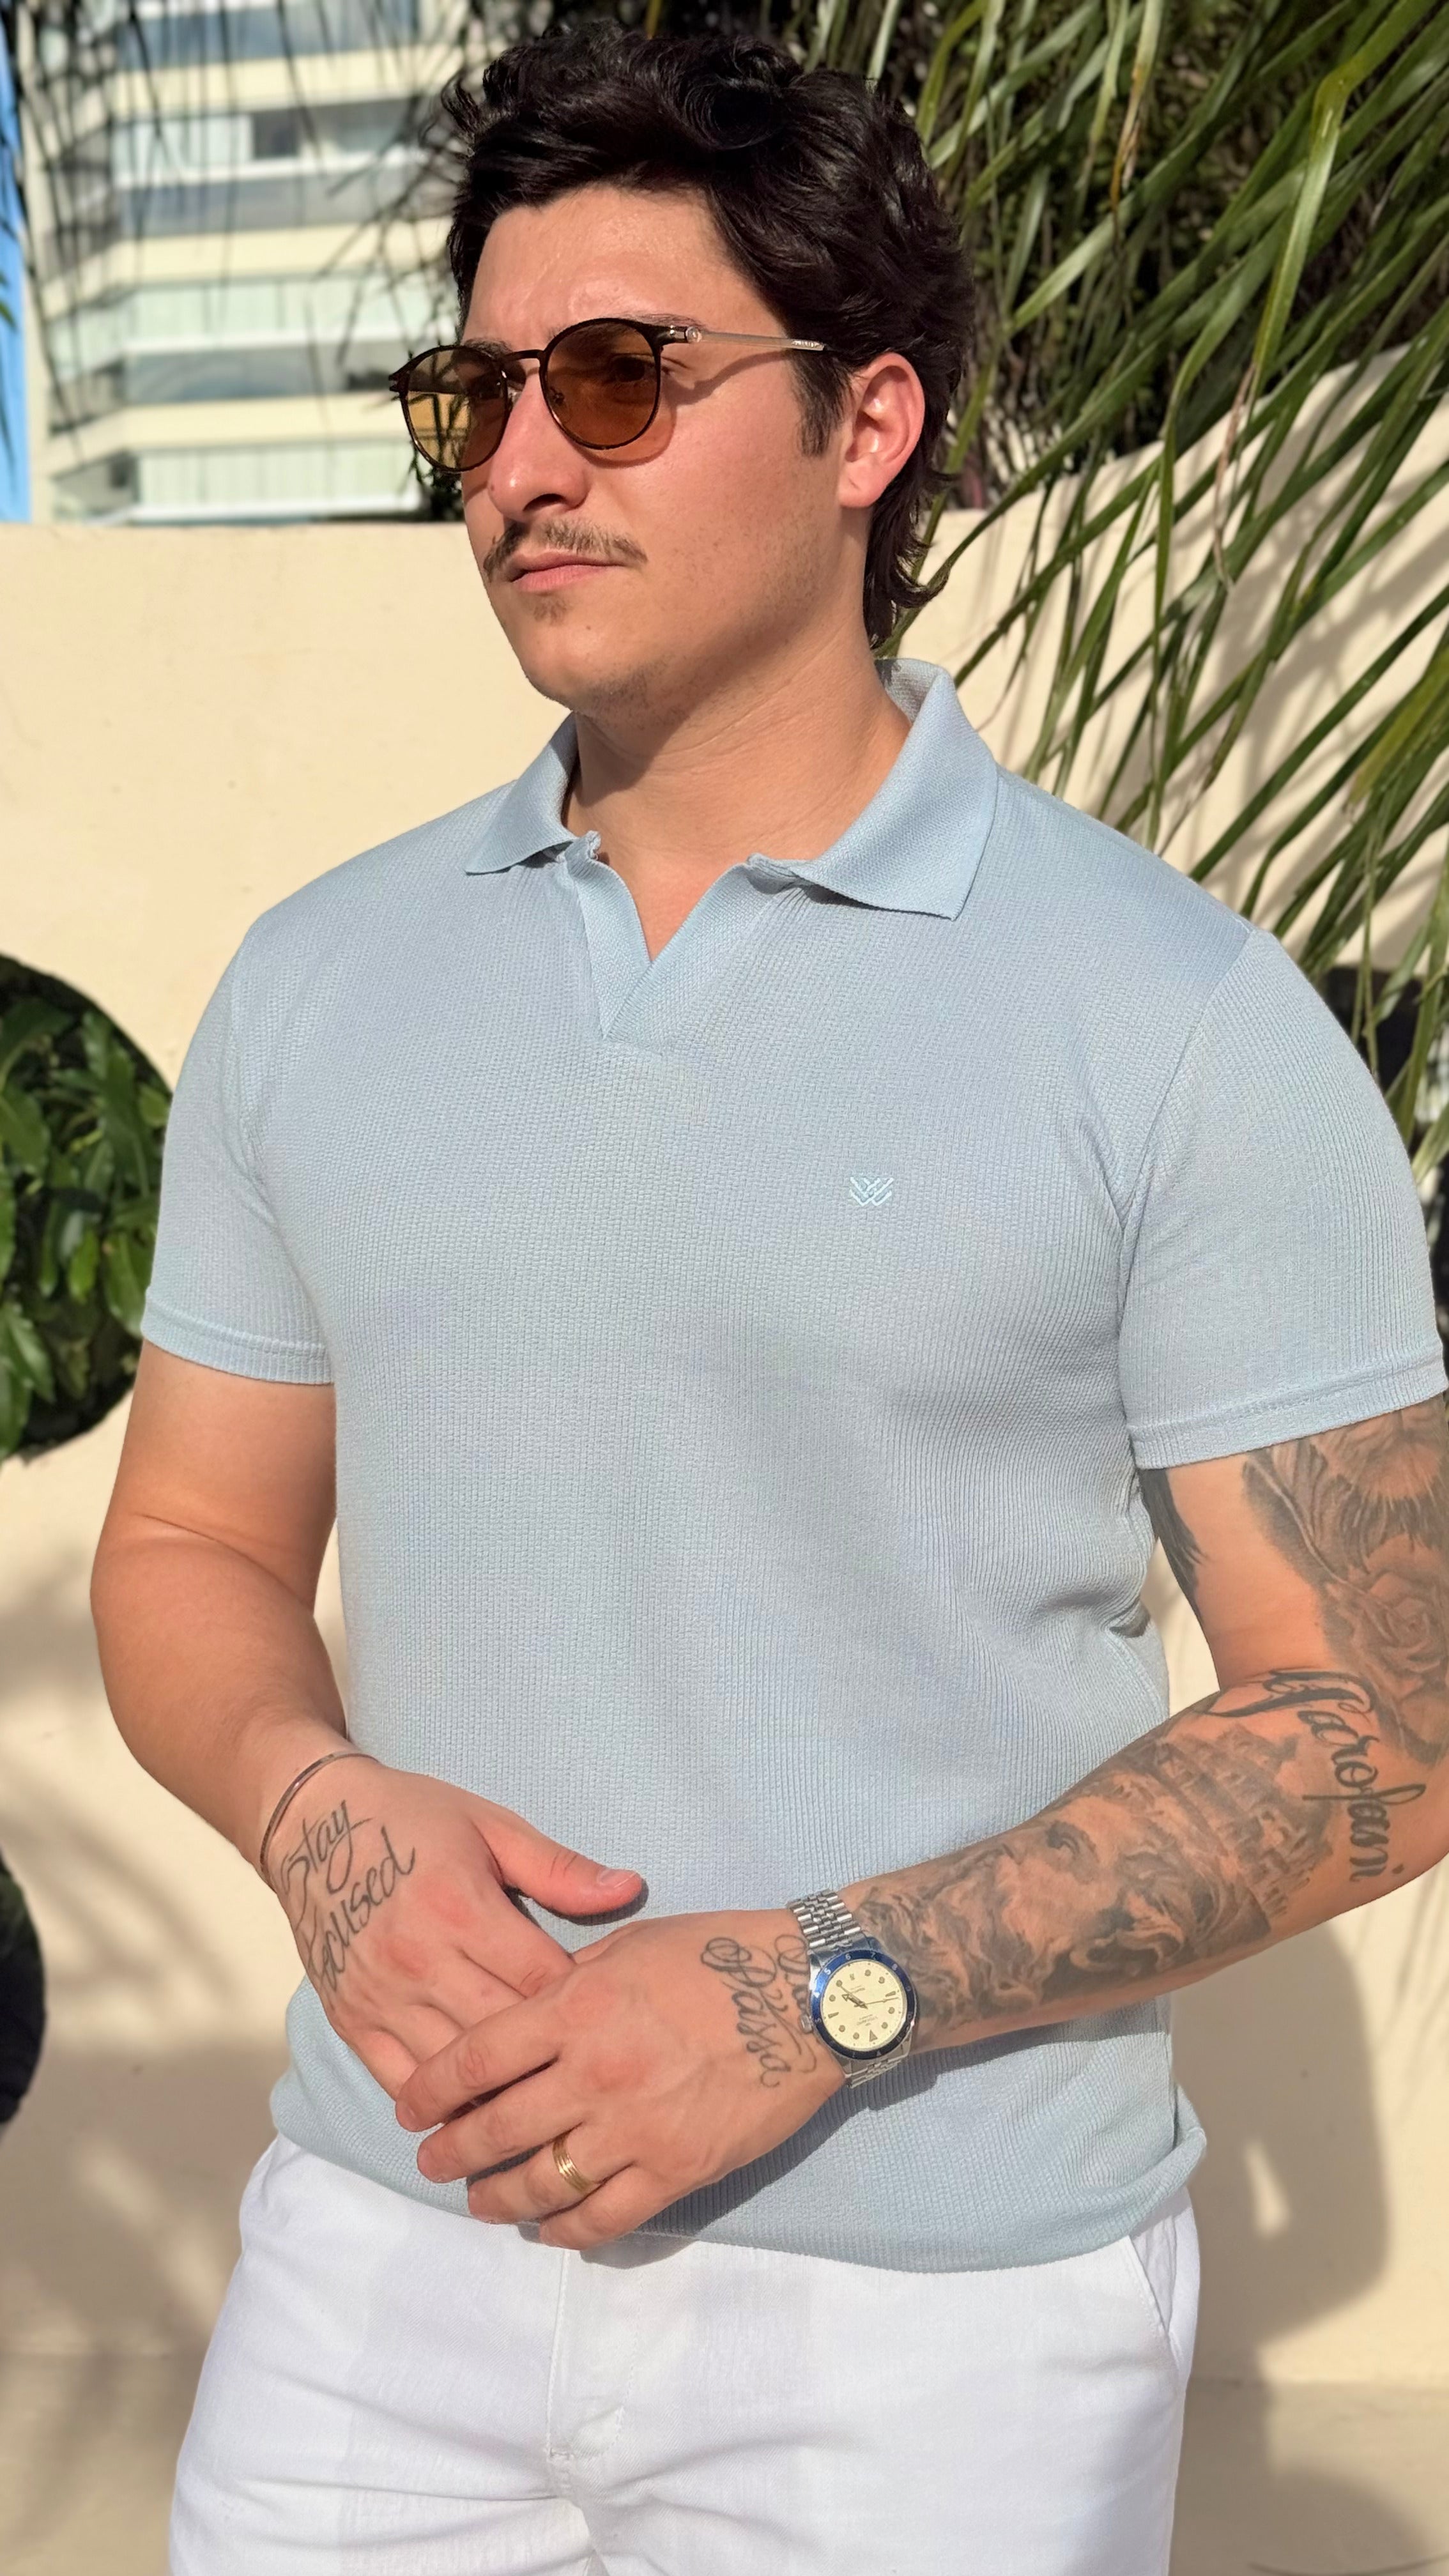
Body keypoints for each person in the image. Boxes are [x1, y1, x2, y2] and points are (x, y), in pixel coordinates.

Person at [90, 24, 1449, 2575]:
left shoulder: (1169, 1018)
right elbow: (187, 1548)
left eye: (619, 375)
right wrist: (311, 1809)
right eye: (474, 393)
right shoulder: (322, 984)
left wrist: (823, 1992)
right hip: (381, 2252)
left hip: (938, 2341)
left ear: (866, 426)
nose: (522, 459)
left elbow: (1383, 1716)